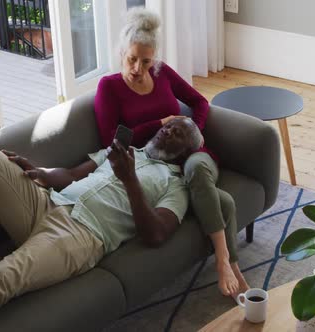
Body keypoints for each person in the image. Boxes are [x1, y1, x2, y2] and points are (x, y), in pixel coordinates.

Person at [0, 118, 202, 331]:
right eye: (170, 125)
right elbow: (73, 175)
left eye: (179, 133)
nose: (169, 130)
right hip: (47, 203)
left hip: (80, 235)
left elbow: (156, 234)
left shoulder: (175, 185)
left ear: (185, 151)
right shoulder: (124, 153)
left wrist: (129, 180)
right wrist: (39, 170)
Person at [94, 7, 249, 297]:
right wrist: (159, 123)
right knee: (224, 202)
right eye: (132, 59)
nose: (138, 68)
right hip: (156, 167)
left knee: (196, 169)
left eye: (146, 60)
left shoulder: (162, 73)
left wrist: (194, 133)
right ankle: (233, 266)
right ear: (121, 52)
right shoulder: (109, 87)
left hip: (193, 157)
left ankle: (222, 263)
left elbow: (200, 102)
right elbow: (112, 141)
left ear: (155, 58)